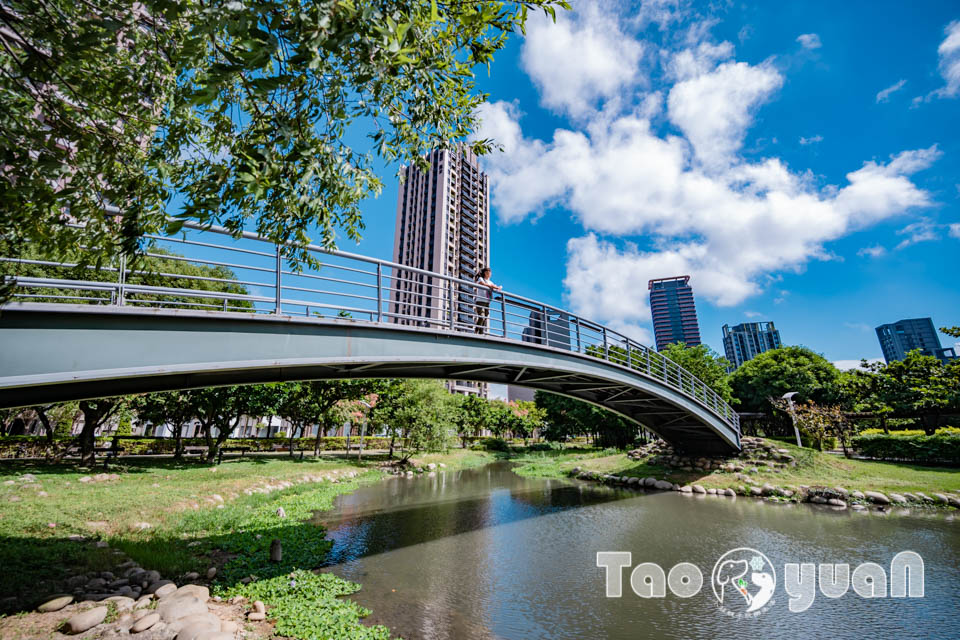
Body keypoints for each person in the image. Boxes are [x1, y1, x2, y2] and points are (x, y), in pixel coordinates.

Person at [474, 266, 501, 334]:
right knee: (482, 317)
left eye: (490, 272)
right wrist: (493, 286)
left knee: (485, 318)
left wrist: (498, 287)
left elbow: (495, 288)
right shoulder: (481, 279)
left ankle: (481, 333)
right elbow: (482, 284)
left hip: (487, 302)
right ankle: (476, 330)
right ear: (485, 273)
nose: (490, 274)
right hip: (480, 301)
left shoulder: (490, 282)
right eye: (489, 272)